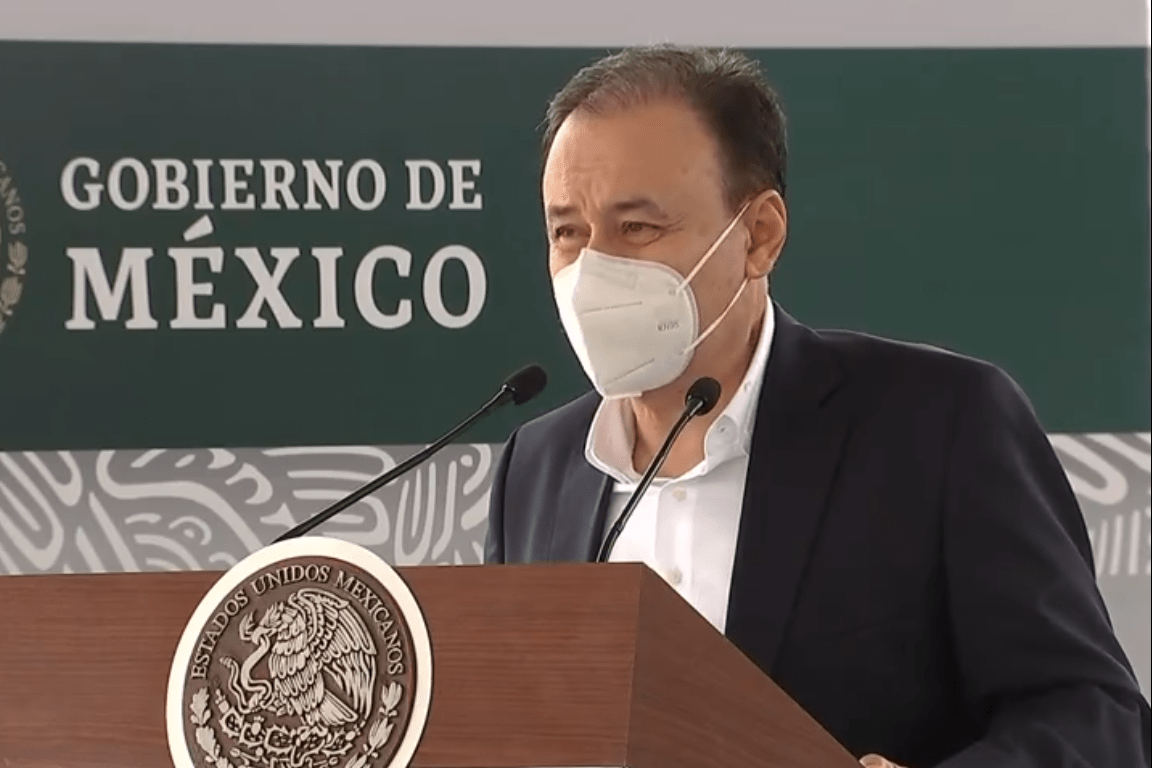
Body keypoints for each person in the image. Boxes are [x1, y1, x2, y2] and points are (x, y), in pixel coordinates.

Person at [484, 45, 1150, 768]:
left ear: (759, 235)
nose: (593, 269)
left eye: (637, 228)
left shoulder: (942, 425)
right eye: (568, 233)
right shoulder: (536, 467)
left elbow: (1096, 718)